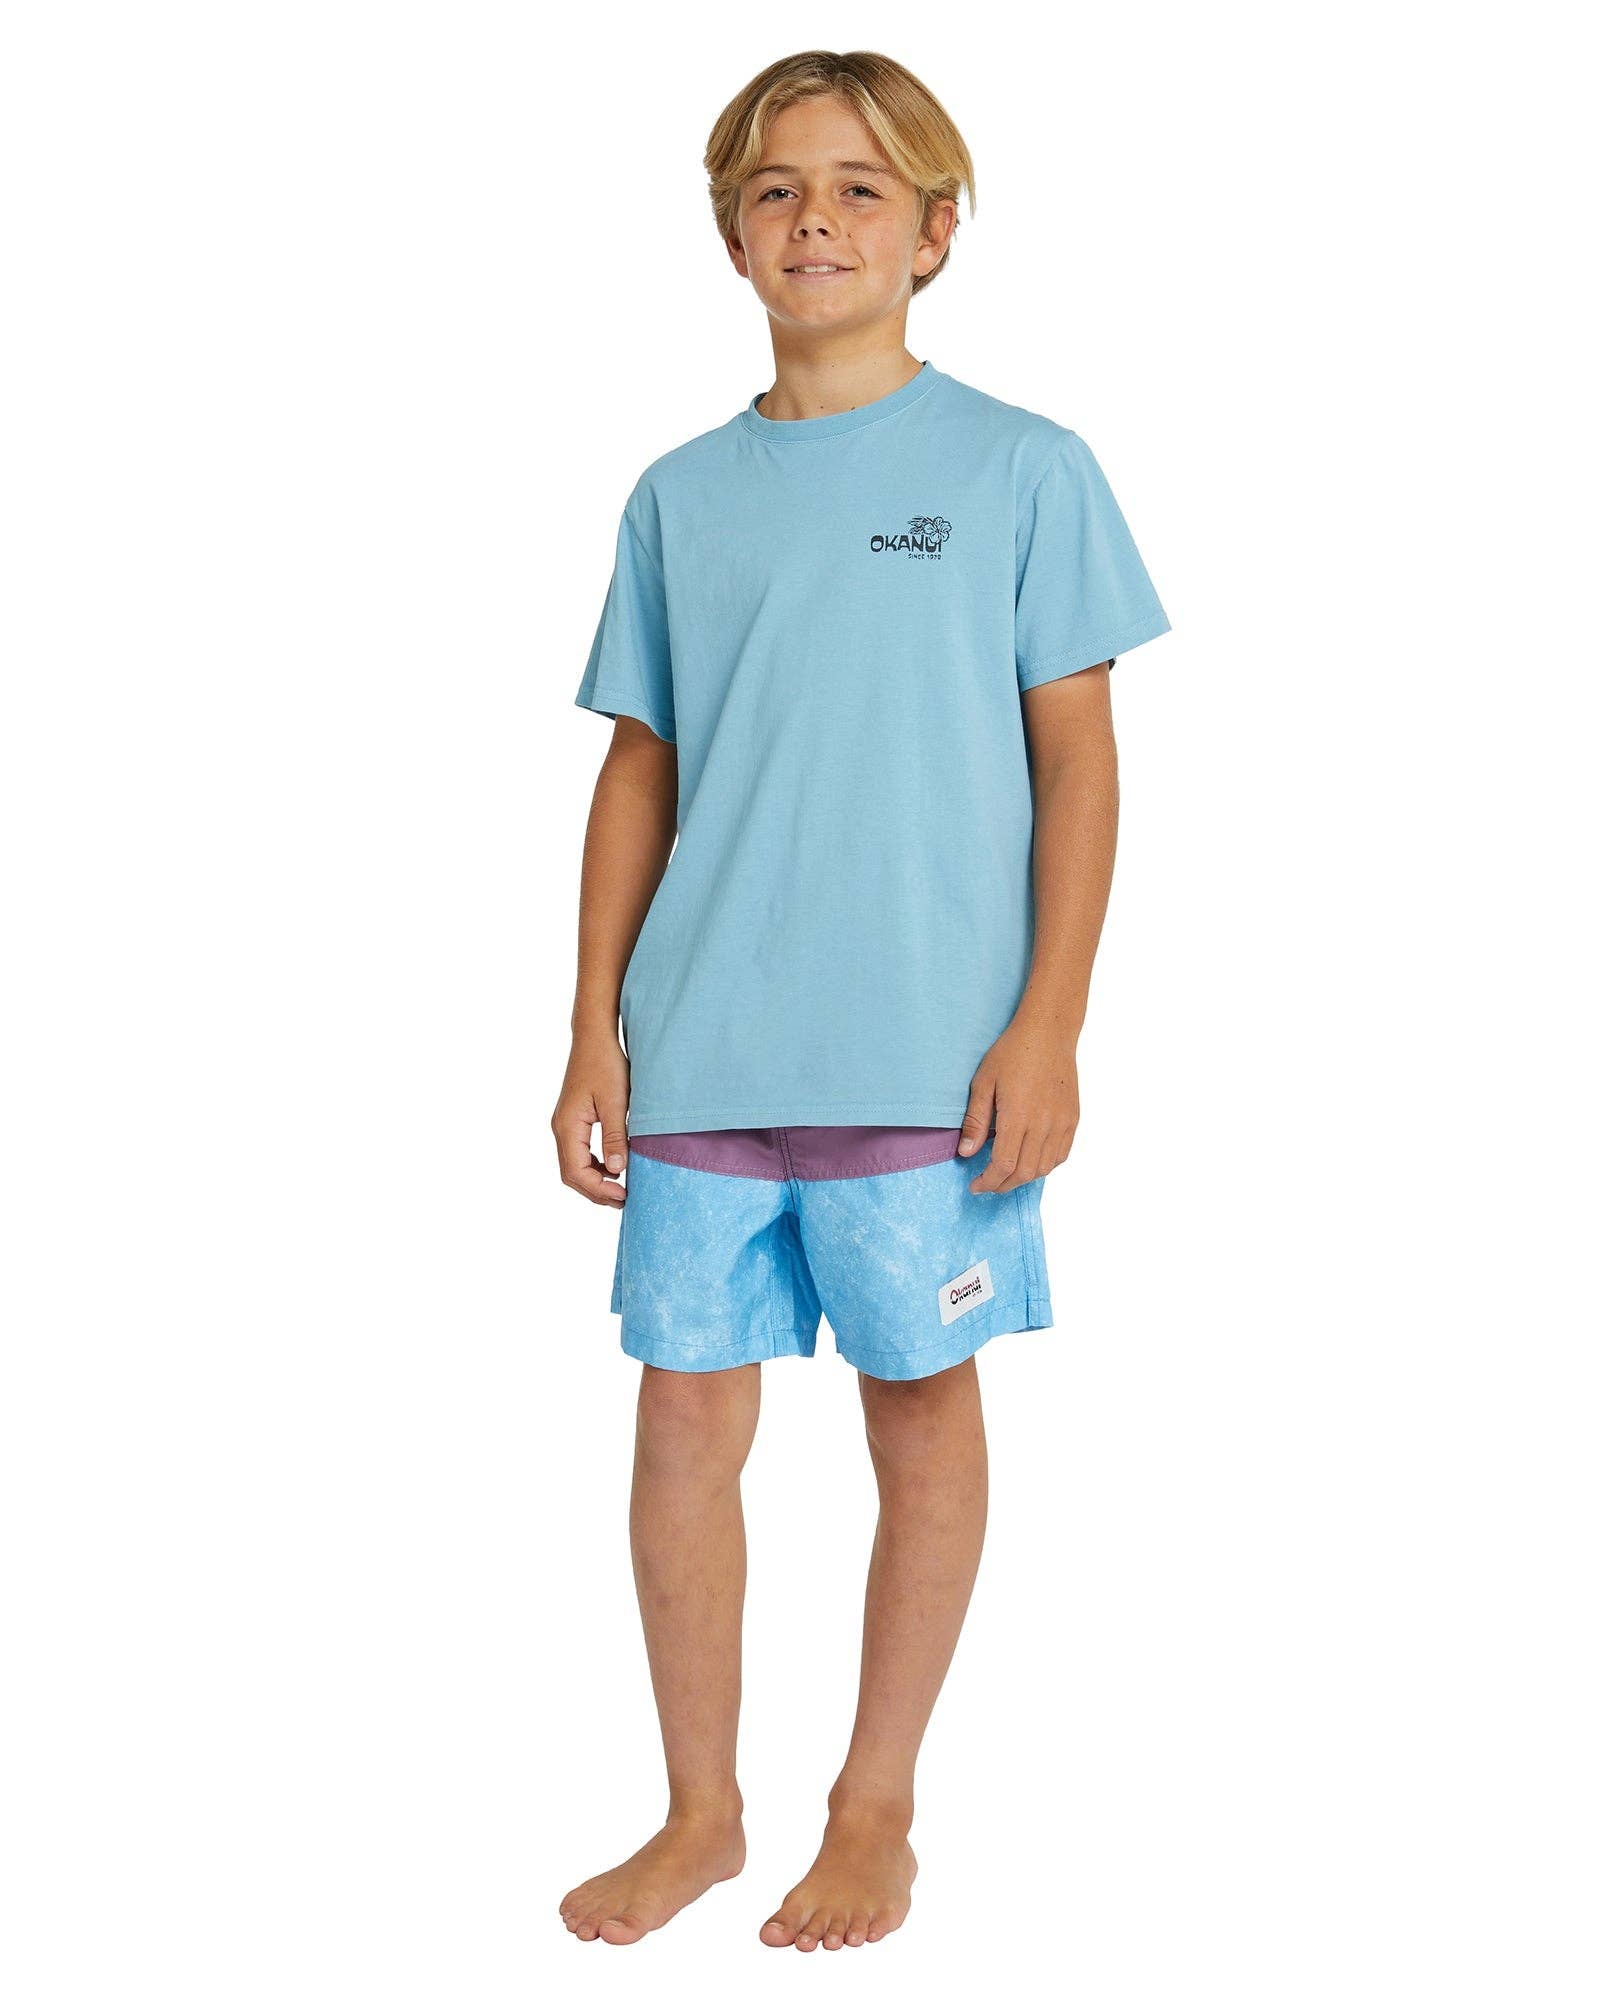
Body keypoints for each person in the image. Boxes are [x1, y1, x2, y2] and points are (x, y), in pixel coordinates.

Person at [552, 48, 1170, 1952]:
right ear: (732, 234)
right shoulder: (679, 496)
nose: (814, 220)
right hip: (702, 1051)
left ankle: (875, 1809)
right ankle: (699, 1811)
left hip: (926, 1057)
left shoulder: (1021, 469)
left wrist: (1051, 1022)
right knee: (682, 1429)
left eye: (859, 189)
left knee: (919, 1405)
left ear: (936, 230)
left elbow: (1080, 762)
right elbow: (641, 765)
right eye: (777, 190)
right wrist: (590, 1024)